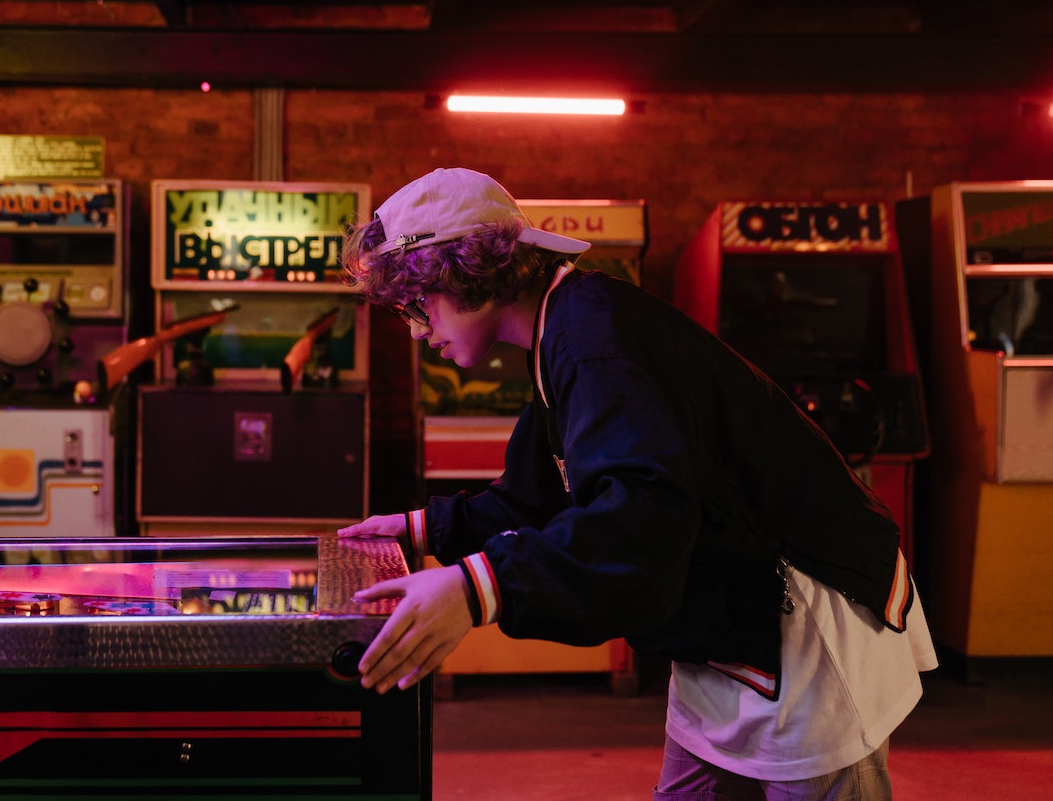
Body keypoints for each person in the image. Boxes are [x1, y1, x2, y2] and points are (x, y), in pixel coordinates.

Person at [338, 167, 937, 800]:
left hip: (798, 618)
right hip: (725, 619)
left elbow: (637, 519)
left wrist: (473, 591)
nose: (415, 327)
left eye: (417, 303)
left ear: (467, 273)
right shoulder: (565, 329)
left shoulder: (593, 338)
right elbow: (538, 496)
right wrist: (422, 530)